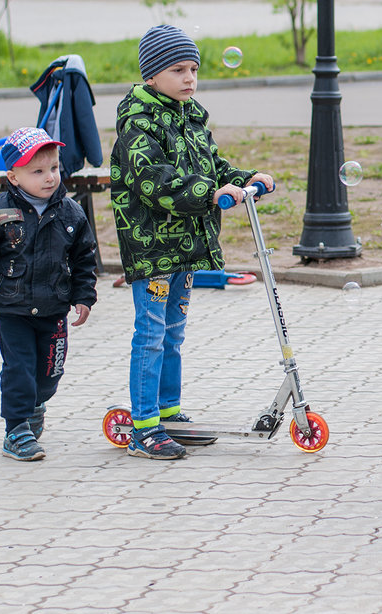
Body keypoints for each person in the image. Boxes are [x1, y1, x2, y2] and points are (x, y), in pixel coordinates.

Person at [110, 24, 274, 460]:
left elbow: (212, 166)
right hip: (152, 247)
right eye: (178, 69)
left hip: (185, 246)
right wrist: (210, 195)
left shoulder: (191, 115)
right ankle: (144, 428)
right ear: (151, 75)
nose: (189, 78)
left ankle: (168, 413)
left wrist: (243, 180)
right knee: (151, 333)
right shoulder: (137, 122)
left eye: (194, 69)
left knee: (173, 333)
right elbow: (156, 182)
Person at [0, 126, 98, 462]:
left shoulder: (71, 213)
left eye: (53, 168)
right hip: (14, 308)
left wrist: (84, 296)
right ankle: (16, 429)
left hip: (54, 309)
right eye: (37, 171)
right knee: (18, 368)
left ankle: (36, 404)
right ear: (14, 176)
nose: (49, 177)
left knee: (50, 373)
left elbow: (84, 259)